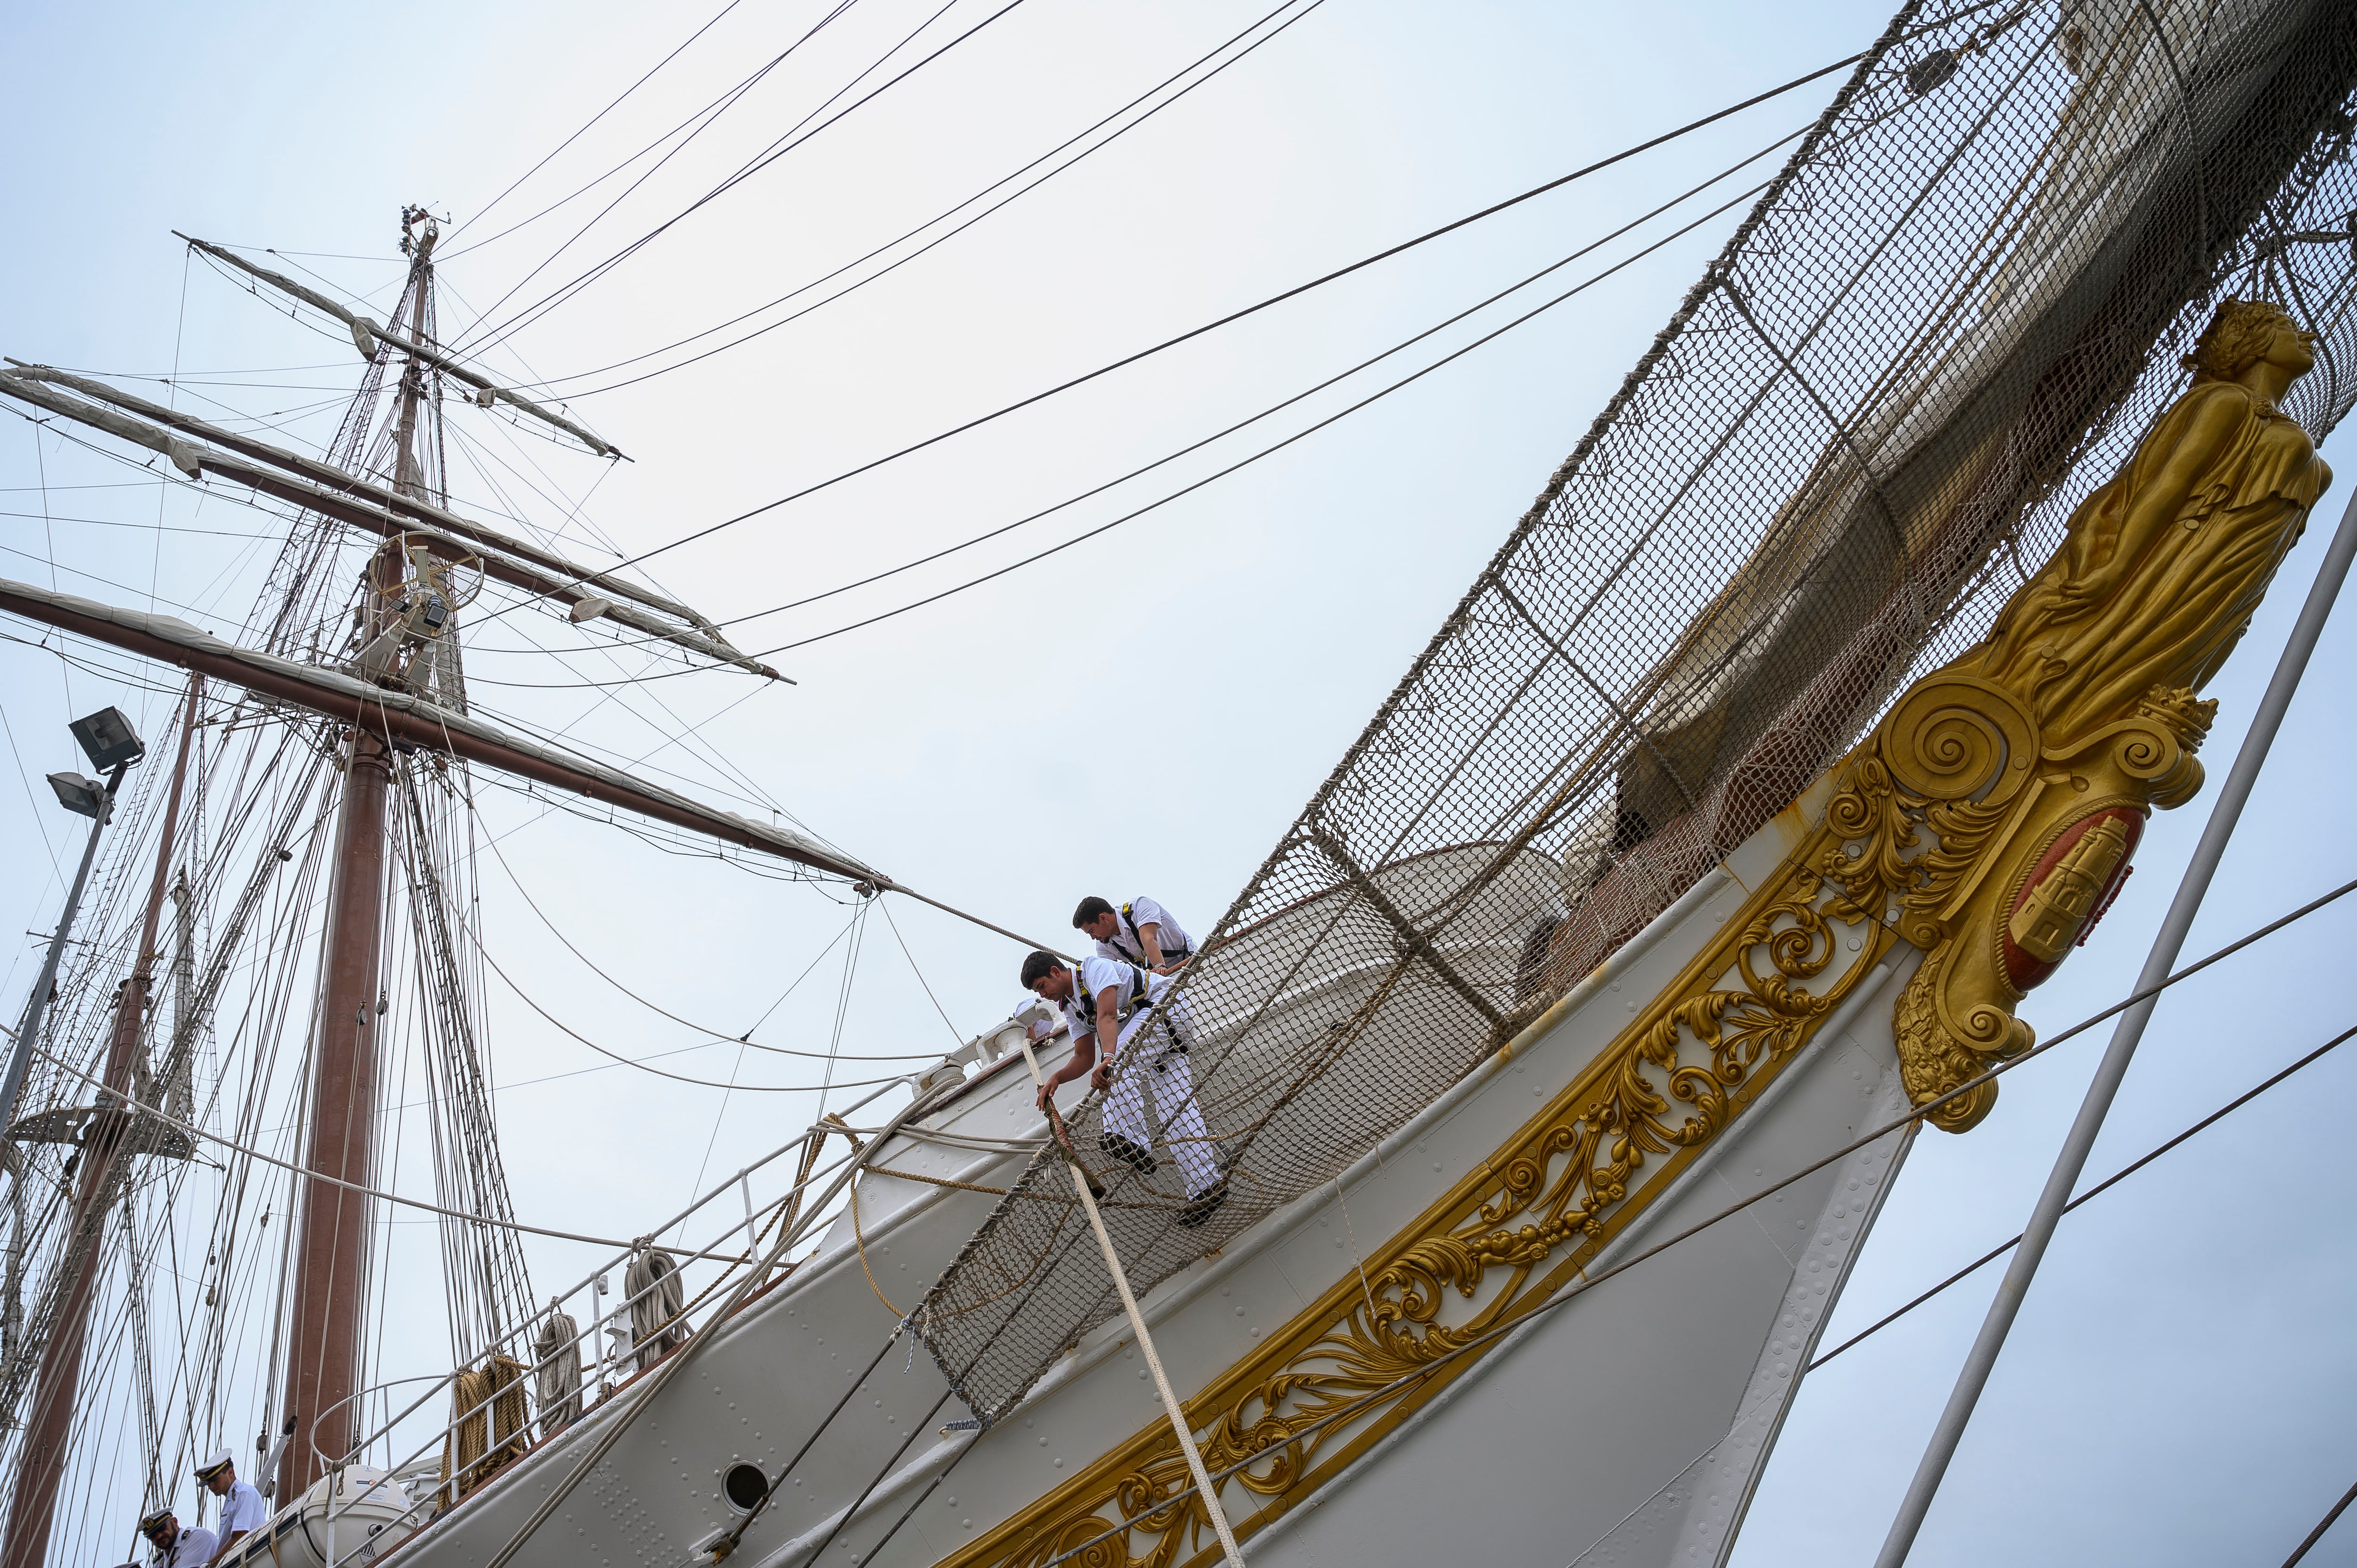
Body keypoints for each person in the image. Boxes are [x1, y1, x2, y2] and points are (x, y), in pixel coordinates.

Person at [1022, 949, 1225, 1225]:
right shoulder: (1070, 1006)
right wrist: (1057, 1077)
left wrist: (1108, 1059)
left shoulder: (1094, 970)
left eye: (1042, 986)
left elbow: (1107, 1017)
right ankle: (1207, 1187)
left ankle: (1127, 1137)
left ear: (1056, 972)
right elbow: (1083, 1057)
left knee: (1115, 1068)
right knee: (1177, 1110)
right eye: (1038, 991)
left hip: (1166, 1009)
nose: (1043, 995)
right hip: (1159, 1041)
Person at [1072, 895, 1193, 974]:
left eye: (1092, 931)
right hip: (1159, 976)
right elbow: (1111, 973)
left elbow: (1148, 938)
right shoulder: (1104, 946)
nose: (1093, 937)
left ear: (1103, 918)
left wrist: (1160, 966)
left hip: (1188, 960)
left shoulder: (1139, 907)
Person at [194, 1450, 267, 1563]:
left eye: (215, 1480)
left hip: (246, 1561)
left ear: (230, 1472)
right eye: (208, 1483)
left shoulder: (244, 1494)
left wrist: (211, 1565)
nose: (211, 1486)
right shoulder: (231, 1499)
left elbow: (240, 1536)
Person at [139, 1506, 216, 1568]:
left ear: (175, 1522)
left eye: (162, 1528)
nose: (159, 1536)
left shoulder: (196, 1537)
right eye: (152, 1536)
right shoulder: (160, 1562)